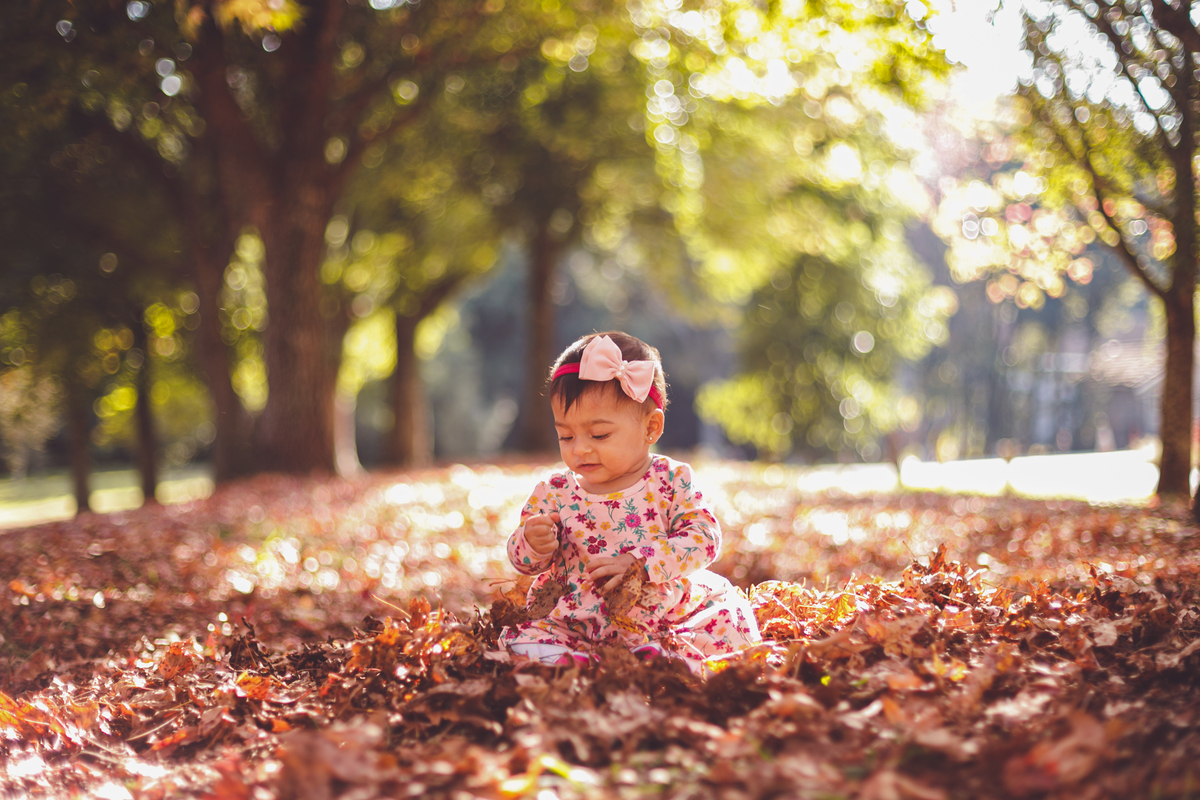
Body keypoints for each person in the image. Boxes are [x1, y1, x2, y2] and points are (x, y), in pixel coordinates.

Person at [501, 331, 761, 670]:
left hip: (663, 614)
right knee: (522, 638)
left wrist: (641, 562)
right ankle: (577, 660)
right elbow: (522, 562)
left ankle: (663, 657)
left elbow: (704, 539)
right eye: (566, 435)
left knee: (727, 620)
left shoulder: (670, 480)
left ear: (651, 428)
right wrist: (532, 544)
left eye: (599, 434)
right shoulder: (554, 492)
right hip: (575, 621)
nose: (579, 448)